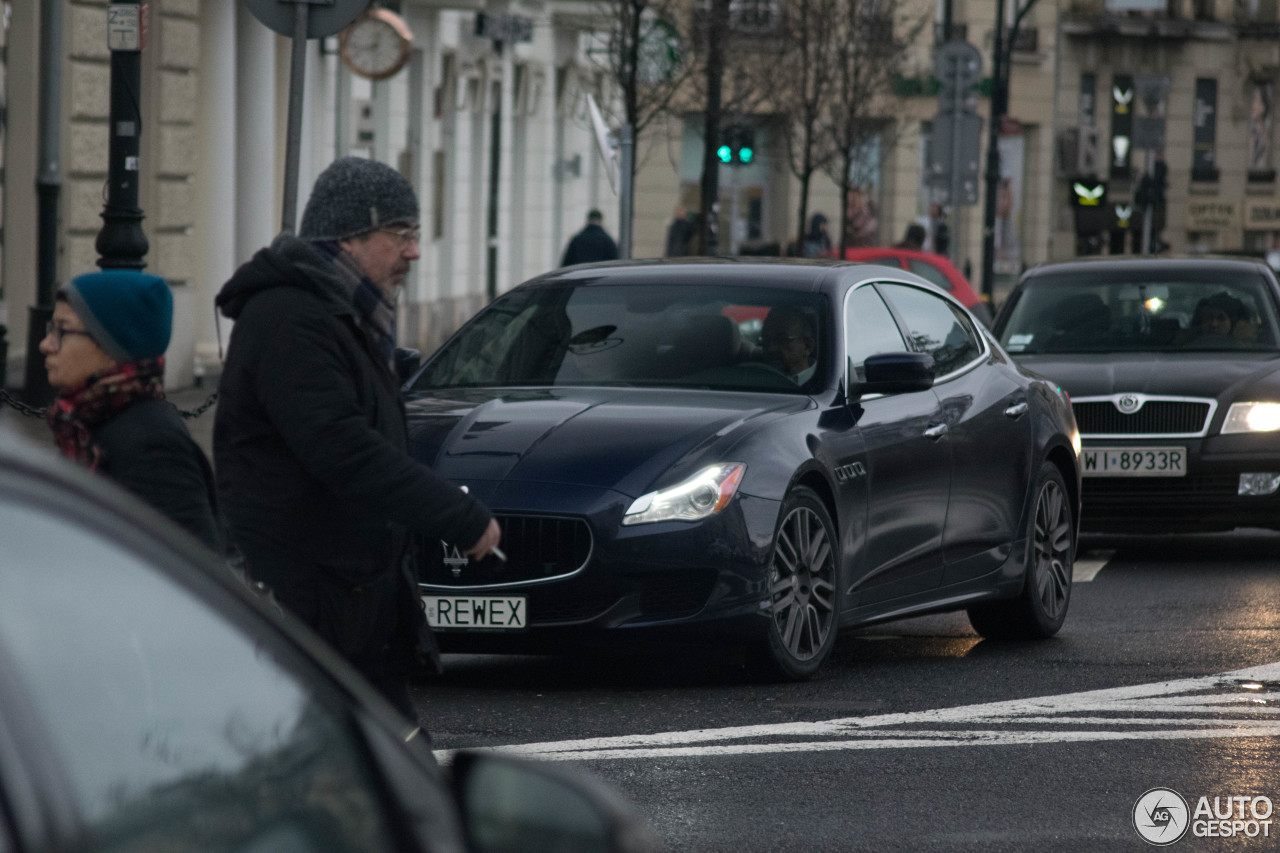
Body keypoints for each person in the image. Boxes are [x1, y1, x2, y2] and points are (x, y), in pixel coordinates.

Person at [214, 156, 501, 731]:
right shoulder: (290, 319)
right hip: (309, 605)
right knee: (367, 786)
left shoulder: (344, 315)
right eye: (400, 234)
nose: (413, 253)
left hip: (350, 603)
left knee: (392, 785)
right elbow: (340, 447)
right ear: (348, 235)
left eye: (414, 235)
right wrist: (457, 515)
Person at [41, 271, 222, 551]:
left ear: (112, 344)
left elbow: (192, 567)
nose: (46, 345)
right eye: (50, 329)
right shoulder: (87, 421)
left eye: (62, 331)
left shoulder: (150, 445)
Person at [760, 307, 818, 385]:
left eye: (782, 340)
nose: (771, 348)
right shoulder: (753, 380)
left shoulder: (825, 385)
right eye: (766, 339)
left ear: (807, 346)